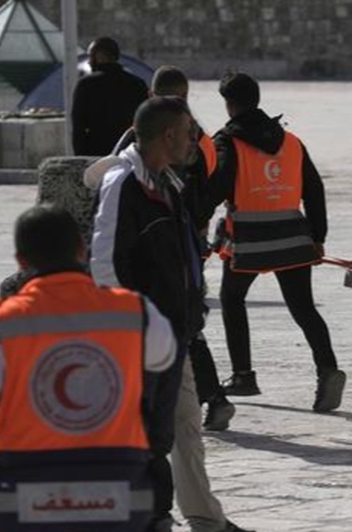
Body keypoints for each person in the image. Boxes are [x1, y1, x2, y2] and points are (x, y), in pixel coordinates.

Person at [0, 205, 176, 532]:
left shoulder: (0, 324)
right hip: (118, 499)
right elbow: (162, 357)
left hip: (24, 505)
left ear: (22, 262)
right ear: (82, 250)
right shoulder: (134, 312)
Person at [88, 97, 255, 532]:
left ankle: (205, 519)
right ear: (167, 136)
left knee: (184, 426)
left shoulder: (168, 181)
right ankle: (150, 519)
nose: (194, 144)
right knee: (151, 435)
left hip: (174, 332)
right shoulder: (123, 183)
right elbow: (104, 265)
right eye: (188, 134)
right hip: (144, 338)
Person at [202, 72, 346, 413]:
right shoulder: (292, 140)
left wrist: (193, 218)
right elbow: (314, 189)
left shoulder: (228, 142)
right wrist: (318, 236)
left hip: (249, 239)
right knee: (303, 307)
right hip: (293, 238)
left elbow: (216, 189)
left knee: (232, 299)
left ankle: (243, 375)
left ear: (230, 104)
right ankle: (327, 368)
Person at [112, 66, 235, 432]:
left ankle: (205, 399)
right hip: (188, 242)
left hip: (156, 245)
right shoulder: (205, 139)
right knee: (188, 322)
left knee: (180, 326)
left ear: (152, 96)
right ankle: (211, 398)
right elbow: (213, 188)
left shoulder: (138, 140)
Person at [72, 36, 148, 156]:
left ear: (100, 56)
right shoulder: (137, 84)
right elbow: (145, 123)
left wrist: (81, 158)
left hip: (96, 154)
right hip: (129, 155)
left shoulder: (86, 85)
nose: (89, 62)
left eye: (91, 56)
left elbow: (78, 127)